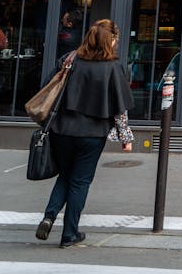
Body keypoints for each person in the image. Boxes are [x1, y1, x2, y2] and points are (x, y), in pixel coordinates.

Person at [35, 19, 134, 248]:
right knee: (80, 181)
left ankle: (49, 217)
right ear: (110, 40)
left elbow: (47, 86)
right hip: (92, 133)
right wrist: (125, 138)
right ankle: (70, 234)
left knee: (66, 175)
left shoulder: (69, 60)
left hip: (61, 130)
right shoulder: (112, 67)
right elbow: (119, 108)